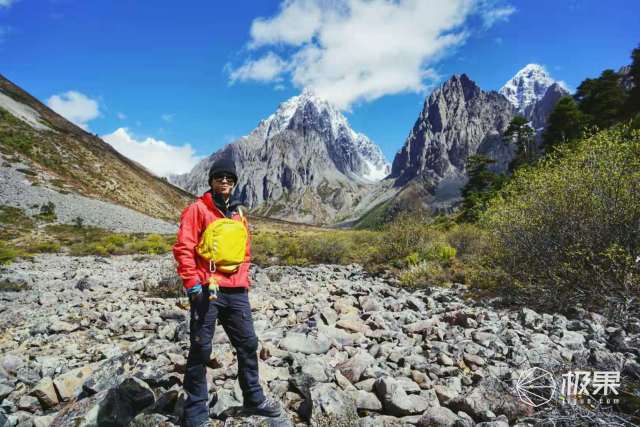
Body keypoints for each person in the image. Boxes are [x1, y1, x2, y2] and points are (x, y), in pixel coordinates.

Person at [173, 157, 281, 427]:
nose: (224, 182)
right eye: (219, 177)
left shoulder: (238, 213)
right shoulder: (197, 209)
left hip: (236, 291)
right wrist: (192, 283)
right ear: (210, 181)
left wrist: (243, 278)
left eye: (229, 179)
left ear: (234, 183)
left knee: (248, 344)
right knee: (200, 348)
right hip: (207, 289)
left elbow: (244, 251)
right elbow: (184, 247)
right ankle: (197, 412)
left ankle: (253, 398)